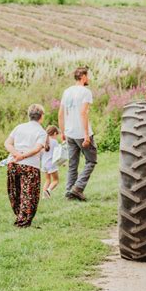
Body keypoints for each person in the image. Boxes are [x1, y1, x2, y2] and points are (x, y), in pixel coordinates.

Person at [4, 104, 46, 228]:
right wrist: (22, 156)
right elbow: (37, 148)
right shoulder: (41, 132)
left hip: (13, 163)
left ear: (29, 115)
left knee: (15, 192)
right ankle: (23, 221)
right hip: (30, 165)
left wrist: (16, 154)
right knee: (29, 193)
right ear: (41, 117)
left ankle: (20, 216)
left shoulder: (19, 127)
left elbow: (7, 143)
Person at [58, 67, 97, 201]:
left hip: (70, 133)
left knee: (72, 164)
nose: (89, 78)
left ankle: (69, 192)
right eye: (88, 76)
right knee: (91, 161)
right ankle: (78, 188)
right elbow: (83, 113)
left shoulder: (67, 91)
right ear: (84, 77)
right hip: (81, 133)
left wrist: (63, 132)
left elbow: (61, 114)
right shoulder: (86, 92)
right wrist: (86, 135)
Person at [41, 125, 60, 199]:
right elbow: (57, 154)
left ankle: (44, 196)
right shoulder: (55, 142)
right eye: (57, 135)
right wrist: (63, 162)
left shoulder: (44, 141)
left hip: (44, 164)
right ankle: (48, 191)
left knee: (48, 180)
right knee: (56, 180)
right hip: (51, 164)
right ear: (55, 133)